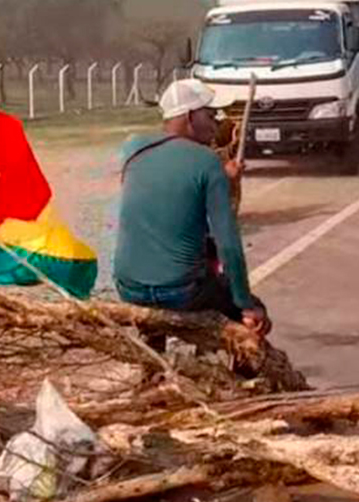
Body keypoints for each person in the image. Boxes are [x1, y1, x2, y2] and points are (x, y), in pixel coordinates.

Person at [113, 79, 271, 336]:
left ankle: (153, 367)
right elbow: (228, 245)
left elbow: (168, 193)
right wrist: (244, 304)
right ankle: (241, 375)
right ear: (189, 117)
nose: (216, 123)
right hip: (180, 292)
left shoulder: (133, 149)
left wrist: (223, 178)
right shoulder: (207, 162)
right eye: (210, 115)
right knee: (257, 314)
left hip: (129, 289)